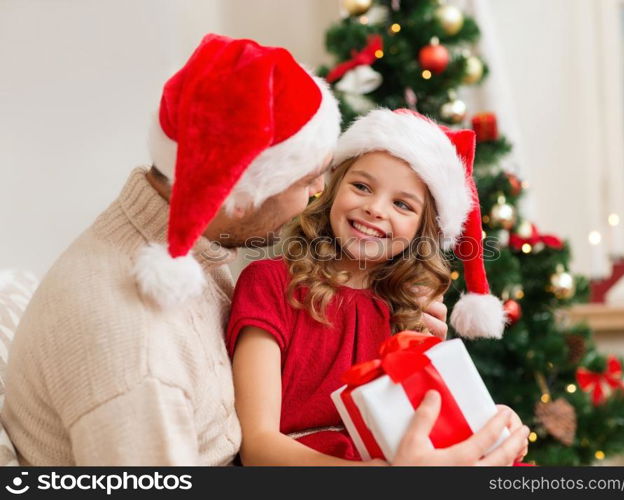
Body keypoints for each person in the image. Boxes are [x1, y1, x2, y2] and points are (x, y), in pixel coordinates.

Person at [0, 34, 343, 465]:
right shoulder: (140, 360)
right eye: (306, 180)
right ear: (238, 200)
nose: (319, 192)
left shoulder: (188, 249)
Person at [227, 109, 529, 466]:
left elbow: (426, 430)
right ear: (333, 188)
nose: (374, 208)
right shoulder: (271, 283)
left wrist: (493, 424)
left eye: (402, 204)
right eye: (362, 187)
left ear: (423, 229)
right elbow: (258, 447)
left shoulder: (412, 309)